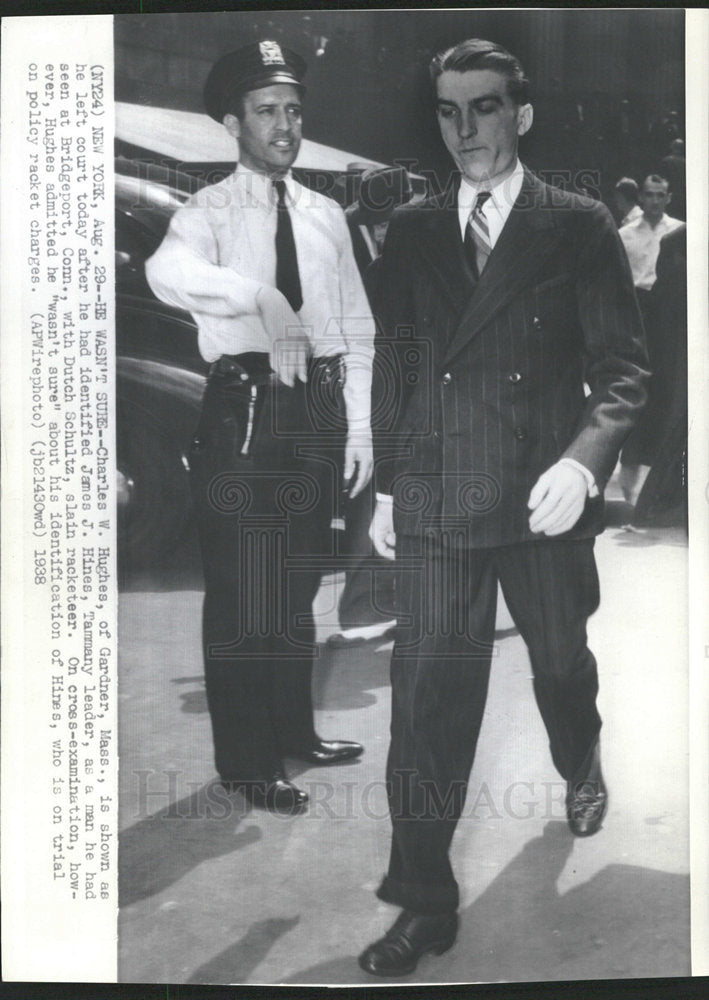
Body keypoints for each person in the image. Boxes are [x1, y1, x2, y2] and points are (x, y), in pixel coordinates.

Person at [358, 38, 648, 976]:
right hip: (441, 496)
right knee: (426, 705)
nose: (464, 130)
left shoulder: (577, 225)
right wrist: (391, 484)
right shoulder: (410, 227)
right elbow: (398, 364)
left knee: (560, 661)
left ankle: (581, 753)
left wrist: (582, 461)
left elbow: (622, 373)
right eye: (448, 112)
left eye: (483, 108)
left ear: (519, 116)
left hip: (540, 499)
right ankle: (422, 904)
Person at [146, 40, 375, 814]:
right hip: (243, 413)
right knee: (245, 593)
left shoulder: (325, 214)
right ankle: (247, 762)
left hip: (316, 410)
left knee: (298, 583)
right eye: (267, 111)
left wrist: (358, 431)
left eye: (294, 110)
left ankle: (294, 734)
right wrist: (259, 299)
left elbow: (355, 326)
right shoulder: (206, 211)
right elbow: (164, 274)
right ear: (230, 123)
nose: (286, 125)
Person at [330, 166, 414, 647]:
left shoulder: (393, 262)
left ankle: (379, 602)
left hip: (393, 395)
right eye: (377, 222)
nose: (380, 230)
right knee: (373, 500)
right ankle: (366, 606)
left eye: (386, 221)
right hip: (376, 396)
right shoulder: (375, 264)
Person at [619, 174, 683, 503]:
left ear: (669, 197)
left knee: (667, 391)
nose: (655, 200)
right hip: (637, 314)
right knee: (635, 389)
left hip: (669, 319)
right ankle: (630, 474)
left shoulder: (680, 232)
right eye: (649, 195)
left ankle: (663, 481)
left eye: (661, 194)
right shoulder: (624, 235)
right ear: (640, 198)